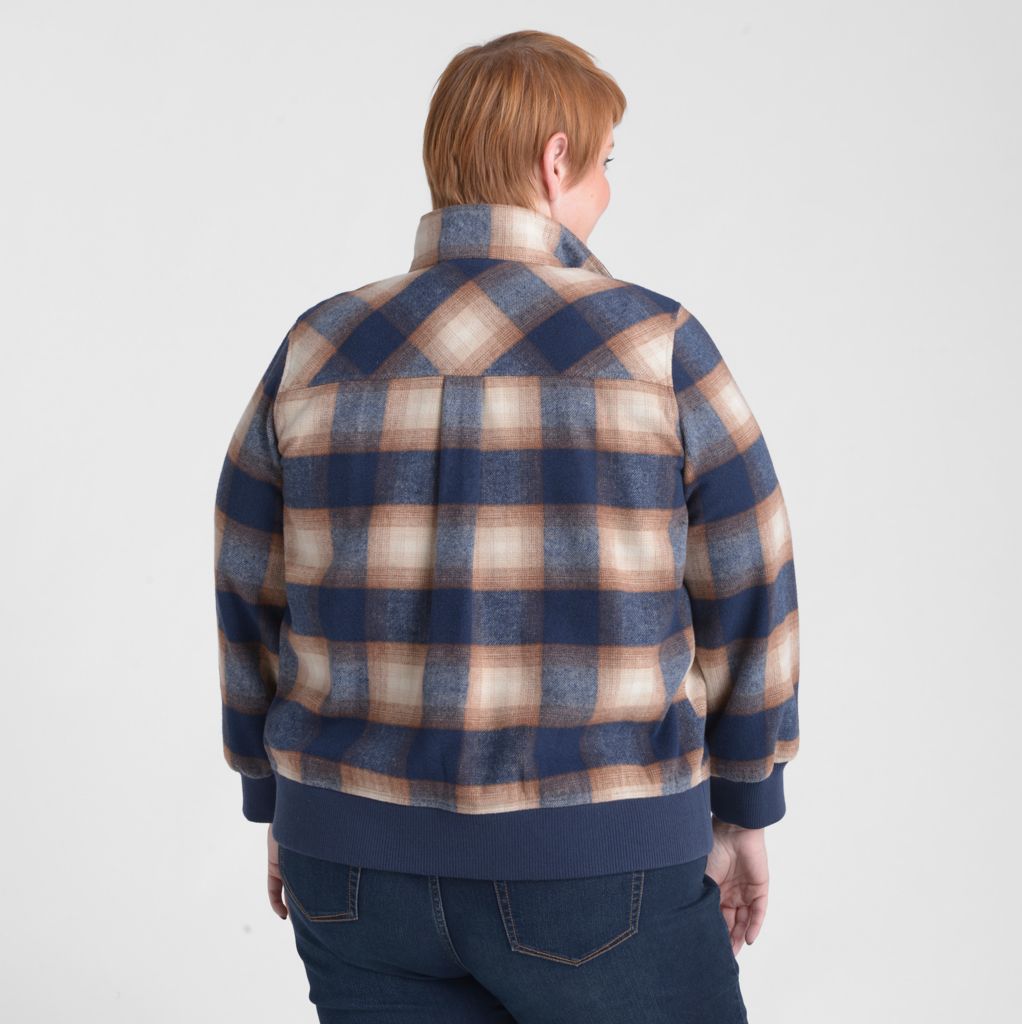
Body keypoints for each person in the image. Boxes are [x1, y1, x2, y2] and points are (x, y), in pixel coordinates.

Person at [214, 28, 799, 1024]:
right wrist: (746, 803)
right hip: (598, 863)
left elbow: (247, 579)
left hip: (348, 870)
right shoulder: (655, 346)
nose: (608, 189)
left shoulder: (316, 347)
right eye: (604, 162)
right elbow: (749, 580)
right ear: (555, 160)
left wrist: (279, 797)